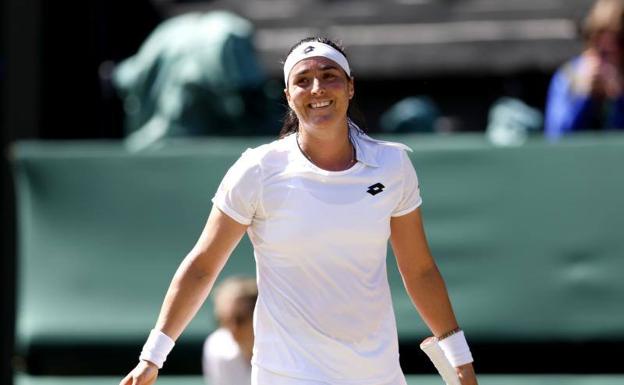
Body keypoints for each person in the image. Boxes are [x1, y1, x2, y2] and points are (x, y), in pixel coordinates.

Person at [119, 37, 479, 385]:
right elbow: (202, 266)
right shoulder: (257, 170)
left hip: (377, 374)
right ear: (289, 96)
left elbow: (419, 270)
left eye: (329, 75)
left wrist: (459, 358)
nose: (317, 88)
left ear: (350, 87)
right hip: (287, 374)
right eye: (303, 81)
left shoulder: (392, 165)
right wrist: (152, 357)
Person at [545, 0, 624, 140]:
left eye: (618, 41)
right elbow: (556, 138)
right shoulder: (568, 77)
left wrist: (619, 97)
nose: (608, 48)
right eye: (597, 39)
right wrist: (585, 96)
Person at [203, 276, 256, 385]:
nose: (232, 329)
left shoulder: (285, 350)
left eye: (239, 319)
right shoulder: (217, 347)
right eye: (222, 320)